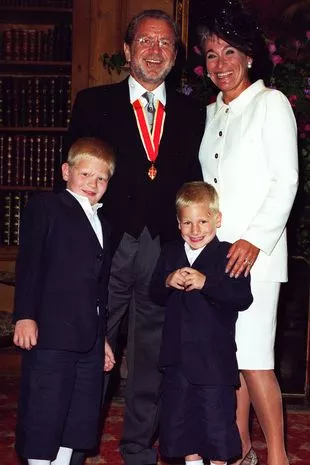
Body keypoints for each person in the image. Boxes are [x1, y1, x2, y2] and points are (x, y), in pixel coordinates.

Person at [65, 9, 205, 465]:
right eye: (145, 41)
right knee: (91, 348)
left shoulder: (191, 112)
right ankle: (76, 445)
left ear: (175, 55)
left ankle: (138, 448)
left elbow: (195, 180)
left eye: (164, 43)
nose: (154, 50)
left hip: (162, 248)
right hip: (106, 246)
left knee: (150, 357)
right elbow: (68, 183)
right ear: (127, 51)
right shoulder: (92, 102)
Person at [198, 2, 299, 465]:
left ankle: (277, 455)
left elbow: (286, 181)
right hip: (217, 258)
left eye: (230, 51)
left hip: (256, 256)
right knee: (229, 359)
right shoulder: (212, 113)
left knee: (256, 359)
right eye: (212, 54)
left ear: (250, 56)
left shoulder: (270, 104)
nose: (221, 63)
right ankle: (238, 450)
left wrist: (255, 239)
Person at [13, 137, 116, 465]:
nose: (93, 183)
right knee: (46, 412)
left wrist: (102, 340)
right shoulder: (46, 207)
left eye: (101, 178)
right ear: (66, 172)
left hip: (88, 339)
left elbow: (101, 289)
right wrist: (25, 315)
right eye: (85, 174)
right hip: (51, 335)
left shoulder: (104, 223)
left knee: (78, 416)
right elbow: (30, 263)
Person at [150, 181, 253, 465]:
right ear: (178, 224)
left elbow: (242, 297)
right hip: (177, 361)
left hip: (214, 363)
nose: (195, 230)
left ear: (217, 219)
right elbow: (153, 293)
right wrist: (168, 281)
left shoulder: (229, 254)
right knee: (182, 427)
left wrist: (207, 284)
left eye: (203, 221)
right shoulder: (170, 252)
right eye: (188, 223)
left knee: (216, 427)